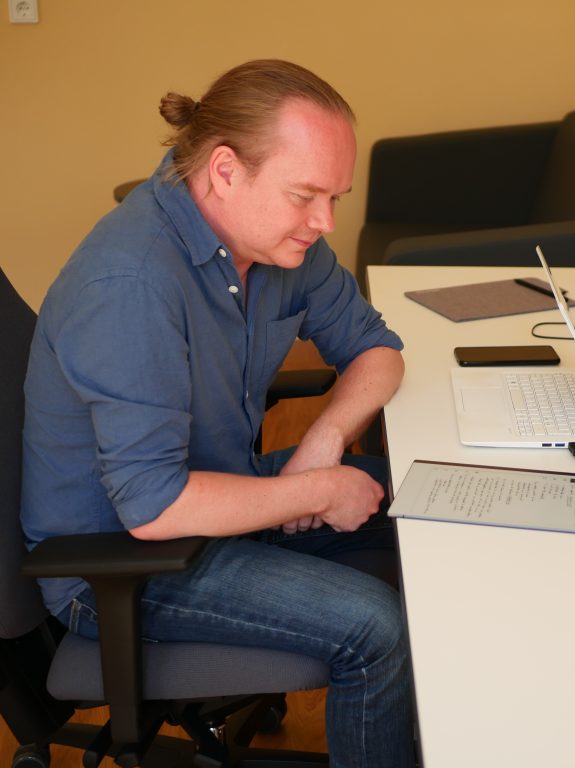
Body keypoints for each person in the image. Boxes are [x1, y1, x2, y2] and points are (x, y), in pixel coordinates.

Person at [21, 59, 413, 767]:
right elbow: (152, 508)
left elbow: (379, 351)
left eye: (334, 196)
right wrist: (313, 491)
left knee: (419, 493)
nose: (323, 221)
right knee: (374, 629)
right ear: (225, 170)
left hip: (213, 492)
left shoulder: (279, 243)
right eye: (305, 195)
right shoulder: (131, 285)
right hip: (122, 559)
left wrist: (324, 440)